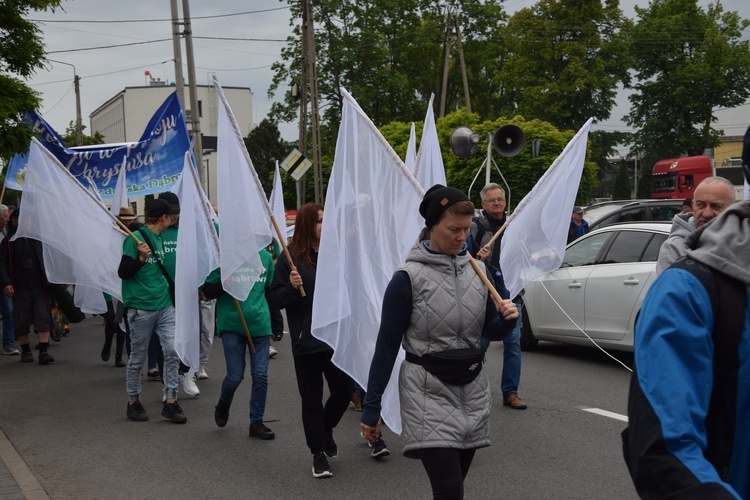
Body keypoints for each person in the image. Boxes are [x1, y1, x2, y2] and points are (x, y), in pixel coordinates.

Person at [360, 185, 519, 499]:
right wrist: (371, 407)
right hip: (426, 391)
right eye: (453, 230)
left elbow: (491, 330)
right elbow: (386, 347)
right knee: (449, 489)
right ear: (431, 227)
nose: (462, 237)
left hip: (472, 391)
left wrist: (508, 319)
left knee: (455, 485)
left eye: (465, 230)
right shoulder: (406, 278)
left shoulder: (479, 272)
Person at [622, 201, 750, 498]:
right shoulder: (686, 288)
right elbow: (665, 451)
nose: (706, 211)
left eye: (715, 205)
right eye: (700, 204)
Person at [268, 203, 356, 479]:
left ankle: (325, 429)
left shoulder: (335, 253)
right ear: (308, 224)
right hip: (307, 340)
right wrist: (293, 289)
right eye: (320, 221)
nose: (325, 226)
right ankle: (317, 453)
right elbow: (275, 299)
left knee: (344, 391)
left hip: (335, 337)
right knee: (312, 399)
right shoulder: (290, 257)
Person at [118, 198, 186, 423]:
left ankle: (171, 401)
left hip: (165, 306)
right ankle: (133, 402)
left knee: (172, 351)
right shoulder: (134, 239)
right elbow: (123, 272)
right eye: (171, 215)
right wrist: (141, 258)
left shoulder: (159, 237)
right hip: (140, 309)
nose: (173, 218)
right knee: (137, 358)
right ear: (163, 217)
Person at [203, 247, 276, 440]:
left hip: (260, 325)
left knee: (260, 376)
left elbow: (270, 291)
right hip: (233, 325)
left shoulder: (266, 258)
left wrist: (276, 321)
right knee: (235, 376)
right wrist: (223, 284)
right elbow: (207, 291)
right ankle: (223, 404)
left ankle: (256, 422)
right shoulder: (224, 256)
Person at [469, 183, 527, 410]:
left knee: (513, 343)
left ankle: (510, 392)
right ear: (483, 204)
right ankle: (472, 388)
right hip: (485, 292)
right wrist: (478, 256)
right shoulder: (476, 226)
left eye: (500, 199)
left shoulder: (514, 224)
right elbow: (465, 256)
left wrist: (524, 248)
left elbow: (525, 255)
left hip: (511, 289)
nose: (497, 203)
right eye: (492, 200)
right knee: (480, 343)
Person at [157, 191, 200, 397]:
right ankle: (168, 384)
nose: (175, 216)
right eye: (171, 213)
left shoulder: (187, 229)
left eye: (177, 212)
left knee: (190, 335)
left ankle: (186, 373)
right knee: (166, 342)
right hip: (163, 293)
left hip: (186, 291)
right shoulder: (158, 231)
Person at [0, 209, 55, 364]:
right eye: (18, 219)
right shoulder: (8, 241)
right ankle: (26, 351)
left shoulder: (39, 239)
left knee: (42, 317)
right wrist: (5, 283)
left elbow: (51, 259)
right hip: (19, 287)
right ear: (14, 221)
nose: (23, 222)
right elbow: (1, 264)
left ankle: (43, 351)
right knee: (21, 319)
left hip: (40, 286)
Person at [656, 176, 734, 274]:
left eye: (716, 206)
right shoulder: (675, 248)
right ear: (693, 206)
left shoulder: (742, 243)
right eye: (700, 205)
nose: (706, 213)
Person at [101, 206, 138, 367]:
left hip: (125, 283)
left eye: (130, 219)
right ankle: (107, 345)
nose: (128, 222)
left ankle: (118, 355)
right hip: (110, 280)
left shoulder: (135, 237)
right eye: (125, 219)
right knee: (110, 319)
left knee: (123, 318)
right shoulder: (111, 234)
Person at [0, 204, 18, 356]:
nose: (7, 220)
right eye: (5, 216)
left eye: (8, 216)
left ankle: (9, 343)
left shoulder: (7, 233)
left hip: (4, 279)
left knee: (8, 311)